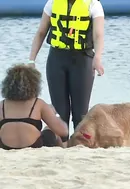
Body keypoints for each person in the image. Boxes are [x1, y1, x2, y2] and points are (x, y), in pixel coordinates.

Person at [27, 0, 105, 142]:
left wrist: (97, 57)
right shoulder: (52, 3)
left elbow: (98, 34)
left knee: (80, 111)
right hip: (56, 60)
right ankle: (61, 145)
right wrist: (31, 60)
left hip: (82, 60)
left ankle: (79, 144)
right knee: (59, 110)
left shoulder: (93, 4)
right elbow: (41, 32)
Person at [0, 64, 69, 150]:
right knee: (51, 130)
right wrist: (54, 113)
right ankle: (63, 153)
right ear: (34, 85)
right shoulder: (38, 103)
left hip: (5, 147)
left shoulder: (1, 105)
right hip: (35, 146)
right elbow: (64, 131)